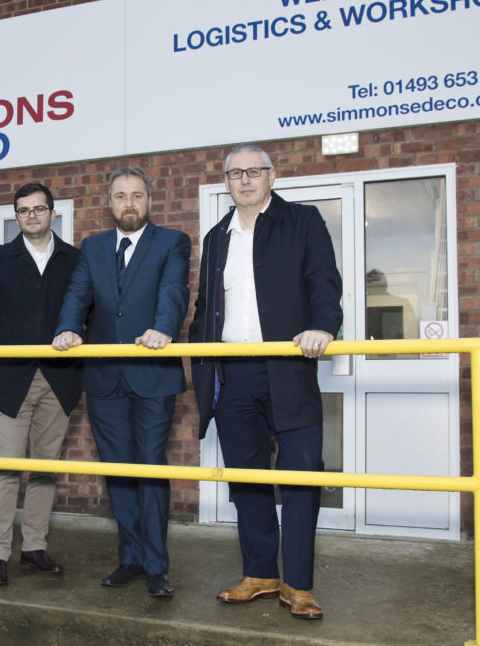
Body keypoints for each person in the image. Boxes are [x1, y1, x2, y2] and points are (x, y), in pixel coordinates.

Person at [188, 144, 343, 620]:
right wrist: (198, 353)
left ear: (271, 176)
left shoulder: (303, 222)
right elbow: (206, 307)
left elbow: (324, 280)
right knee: (247, 478)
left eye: (254, 171)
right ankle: (260, 573)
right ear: (227, 182)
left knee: (299, 477)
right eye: (235, 173)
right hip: (232, 374)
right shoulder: (217, 236)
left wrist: (323, 325)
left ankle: (298, 584)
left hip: (288, 366)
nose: (245, 179)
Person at [52, 166, 190, 599]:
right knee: (117, 472)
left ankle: (156, 566)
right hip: (104, 377)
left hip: (152, 372)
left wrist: (164, 327)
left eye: (137, 196)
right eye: (120, 197)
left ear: (149, 201)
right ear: (109, 203)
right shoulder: (91, 247)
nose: (129, 203)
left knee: (149, 468)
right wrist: (69, 328)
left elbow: (174, 289)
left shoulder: (172, 241)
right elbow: (77, 294)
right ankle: (129, 558)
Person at [0, 183, 83, 587]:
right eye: (23, 210)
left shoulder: (74, 259)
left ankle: (34, 547)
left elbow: (88, 308)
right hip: (12, 378)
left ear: (52, 213)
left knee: (44, 468)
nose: (31, 216)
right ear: (16, 216)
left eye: (38, 209)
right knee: (7, 467)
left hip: (60, 379)